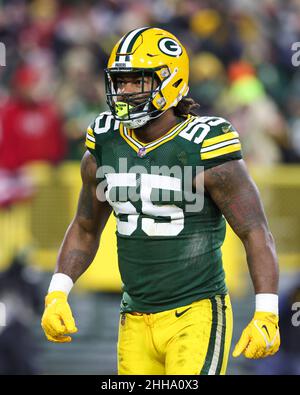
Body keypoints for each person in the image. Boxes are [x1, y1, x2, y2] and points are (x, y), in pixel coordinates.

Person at [41, 27, 280, 375]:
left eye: (137, 81)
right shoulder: (105, 141)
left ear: (170, 81)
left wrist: (267, 311)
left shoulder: (205, 142)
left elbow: (255, 230)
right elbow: (86, 226)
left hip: (195, 313)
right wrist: (57, 292)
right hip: (134, 316)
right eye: (119, 82)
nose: (124, 91)